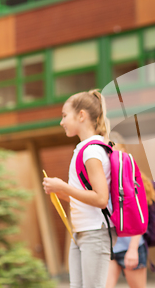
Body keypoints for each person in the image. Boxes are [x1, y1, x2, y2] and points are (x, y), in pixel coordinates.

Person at [43, 89, 117, 288]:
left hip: (95, 232)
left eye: (65, 116)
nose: (62, 122)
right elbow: (87, 197)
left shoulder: (92, 151)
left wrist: (64, 187)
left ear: (81, 115)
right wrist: (61, 192)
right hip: (81, 232)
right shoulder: (84, 149)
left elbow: (101, 199)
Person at [106, 133, 155, 288]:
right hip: (110, 248)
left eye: (115, 151)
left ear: (124, 152)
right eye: (108, 153)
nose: (111, 157)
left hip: (131, 245)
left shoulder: (134, 179)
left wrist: (133, 249)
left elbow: (139, 215)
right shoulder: (104, 179)